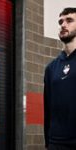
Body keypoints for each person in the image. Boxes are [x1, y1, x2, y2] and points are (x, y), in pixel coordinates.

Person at [44, 7, 76, 150]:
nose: (63, 25)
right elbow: (48, 107)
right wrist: (48, 141)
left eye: (69, 20)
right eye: (61, 21)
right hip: (56, 143)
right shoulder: (51, 68)